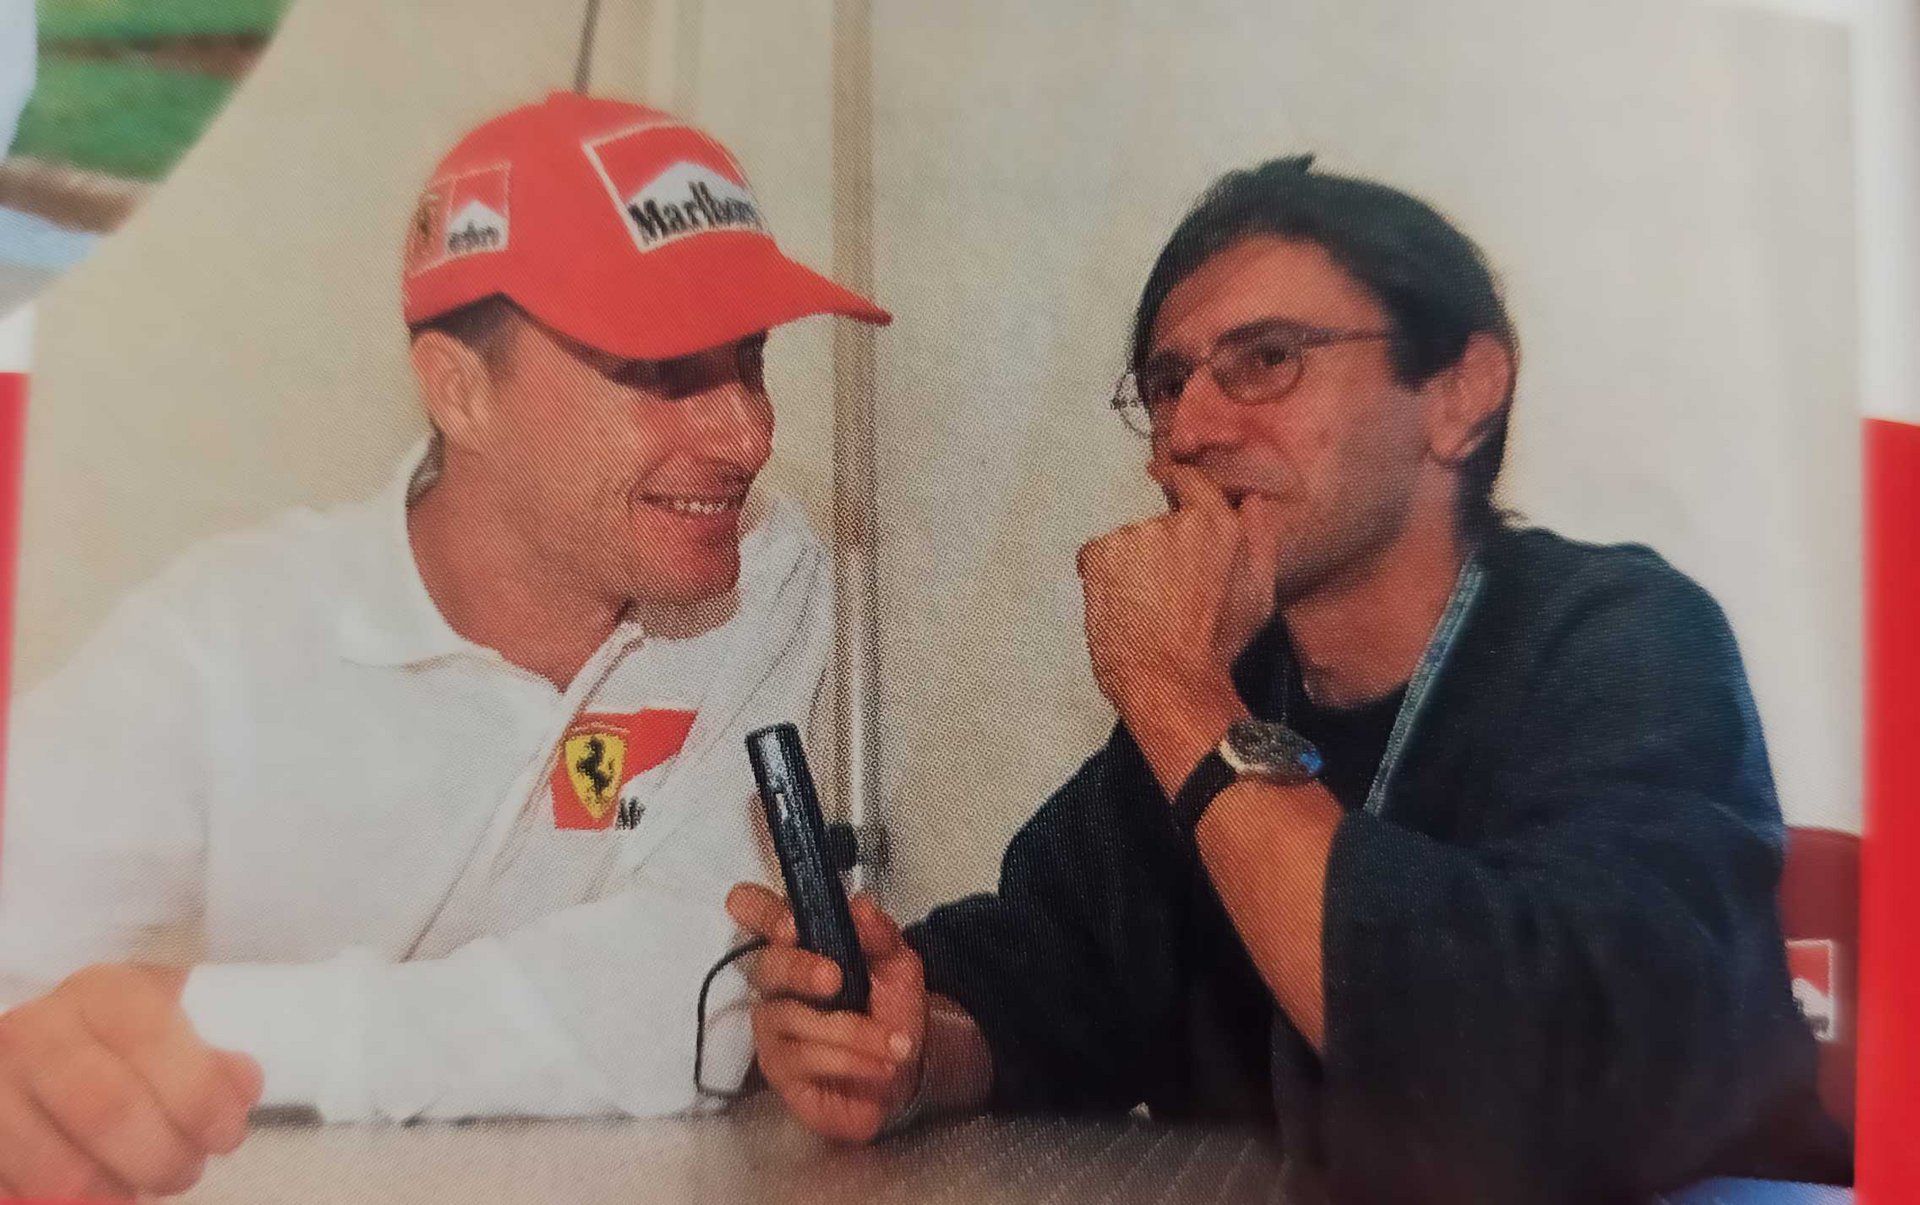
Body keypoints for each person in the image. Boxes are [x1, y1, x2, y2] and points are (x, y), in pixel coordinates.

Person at [729, 156, 1847, 1204]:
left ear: (1460, 392)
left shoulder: (1625, 639)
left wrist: (1174, 691)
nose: (1192, 429)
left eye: (1266, 359)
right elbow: (1043, 981)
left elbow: (1529, 1085)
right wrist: (906, 1046)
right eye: (1168, 382)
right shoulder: (1234, 685)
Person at [0, 90, 888, 1199]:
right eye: (662, 370)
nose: (747, 434)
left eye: (749, 358)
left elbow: (688, 1000)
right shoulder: (228, 634)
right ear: (460, 392)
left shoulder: (763, 573)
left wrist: (199, 1023)